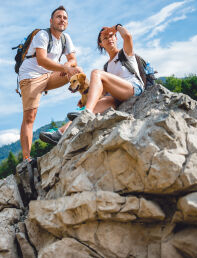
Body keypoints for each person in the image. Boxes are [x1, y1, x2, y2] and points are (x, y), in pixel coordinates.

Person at [39, 24, 144, 144]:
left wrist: (115, 28)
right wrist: (87, 99)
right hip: (116, 97)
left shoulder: (125, 53)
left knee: (96, 73)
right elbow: (102, 92)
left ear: (116, 38)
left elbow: (127, 36)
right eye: (105, 38)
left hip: (133, 88)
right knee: (89, 107)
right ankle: (60, 133)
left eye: (111, 36)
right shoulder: (107, 67)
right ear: (101, 44)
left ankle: (87, 112)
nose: (109, 39)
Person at [18, 5, 82, 166]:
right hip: (30, 77)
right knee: (30, 117)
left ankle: (84, 105)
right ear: (51, 20)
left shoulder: (66, 38)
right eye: (59, 17)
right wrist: (64, 67)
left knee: (77, 71)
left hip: (50, 75)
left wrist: (67, 66)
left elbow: (72, 60)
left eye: (65, 18)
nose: (62, 20)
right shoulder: (42, 35)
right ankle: (26, 158)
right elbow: (41, 60)